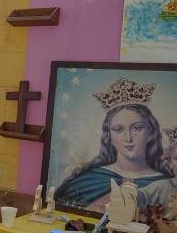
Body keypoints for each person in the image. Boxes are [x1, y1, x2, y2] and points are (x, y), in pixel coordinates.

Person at [55, 77, 167, 214]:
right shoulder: (89, 180)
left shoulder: (166, 184)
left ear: (150, 132)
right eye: (118, 129)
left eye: (137, 128)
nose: (128, 138)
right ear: (109, 136)